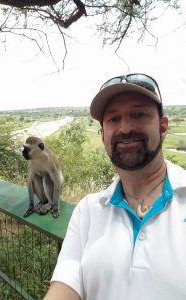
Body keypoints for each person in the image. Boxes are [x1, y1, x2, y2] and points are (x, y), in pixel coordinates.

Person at [43, 73, 186, 300]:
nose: (125, 128)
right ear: (103, 135)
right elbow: (65, 287)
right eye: (113, 119)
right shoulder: (88, 210)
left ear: (163, 126)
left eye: (138, 114)